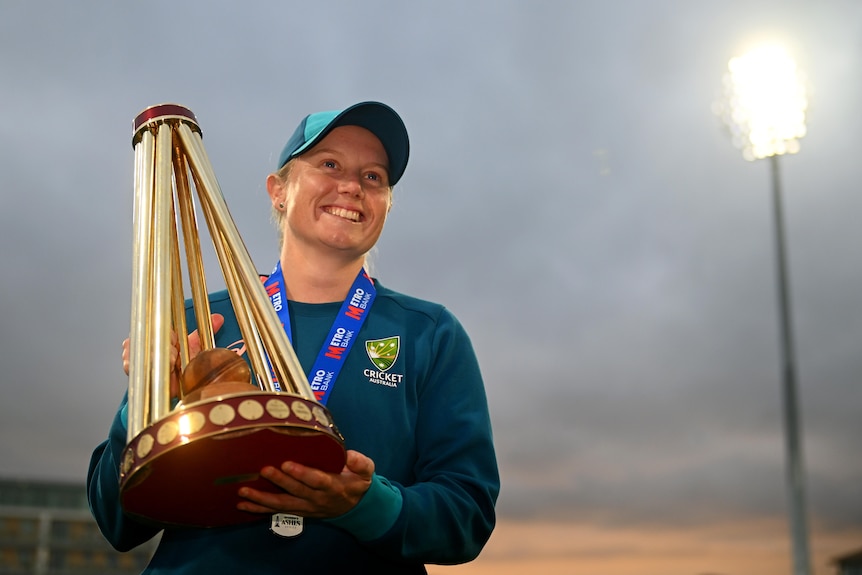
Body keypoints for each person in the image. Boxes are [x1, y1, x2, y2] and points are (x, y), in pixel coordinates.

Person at [87, 101, 500, 574]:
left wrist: (362, 504)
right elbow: (116, 521)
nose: (352, 186)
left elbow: (466, 516)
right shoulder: (201, 319)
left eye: (374, 177)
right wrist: (148, 395)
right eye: (329, 164)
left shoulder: (428, 333)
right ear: (278, 191)